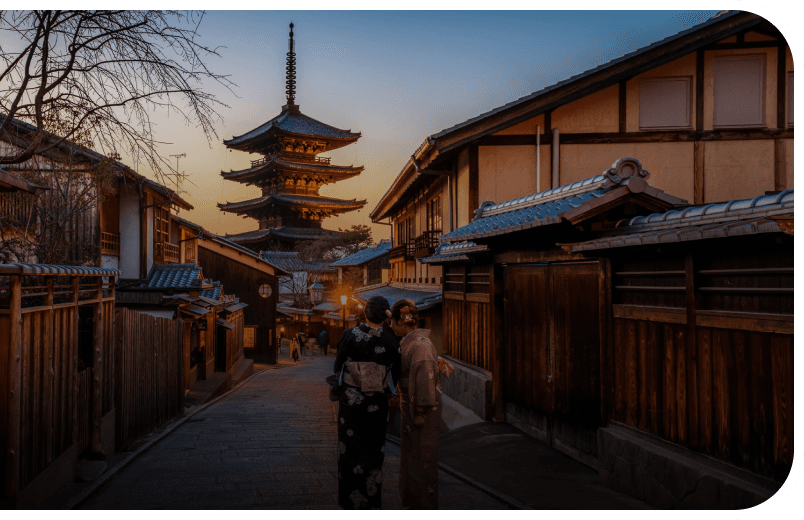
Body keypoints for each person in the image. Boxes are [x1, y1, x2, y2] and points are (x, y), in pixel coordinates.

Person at [333, 295, 400, 509]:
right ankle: (371, 503)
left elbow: (338, 366)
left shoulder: (349, 335)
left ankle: (349, 503)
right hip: (376, 405)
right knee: (373, 451)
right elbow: (394, 375)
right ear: (386, 316)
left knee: (349, 450)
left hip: (351, 404)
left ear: (365, 312)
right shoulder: (391, 342)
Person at [387, 299, 440, 509]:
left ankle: (422, 505)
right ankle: (411, 502)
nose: (390, 326)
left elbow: (424, 378)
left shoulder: (420, 346)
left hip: (421, 408)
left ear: (402, 320)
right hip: (409, 401)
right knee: (410, 455)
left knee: (422, 455)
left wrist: (420, 410)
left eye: (393, 321)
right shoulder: (411, 342)